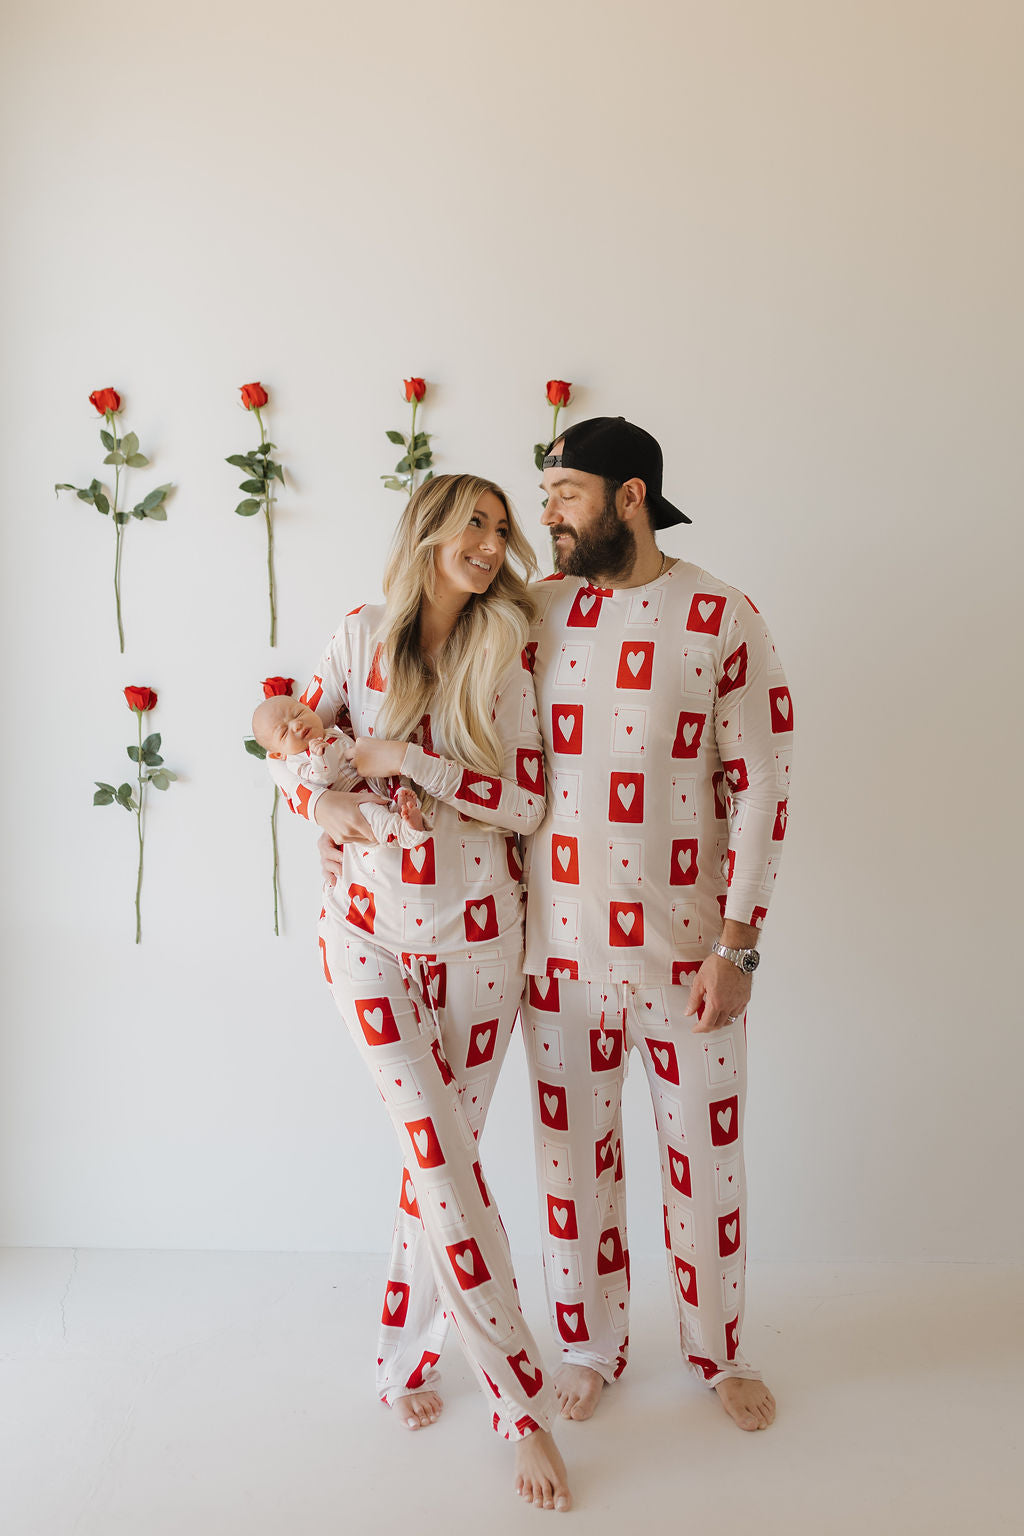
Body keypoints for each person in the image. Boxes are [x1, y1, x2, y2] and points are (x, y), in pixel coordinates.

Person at [274, 473, 572, 1512]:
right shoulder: (357, 637)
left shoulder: (507, 651)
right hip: (365, 939)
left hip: (483, 944)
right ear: (430, 530)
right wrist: (321, 799)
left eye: (502, 528)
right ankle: (518, 1403)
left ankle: (402, 1353)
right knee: (440, 1161)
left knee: (433, 1166)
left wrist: (407, 759)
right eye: (474, 523)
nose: (491, 544)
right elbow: (283, 747)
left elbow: (527, 803)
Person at [517, 416, 793, 1432]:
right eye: (544, 492)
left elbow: (763, 781)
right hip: (553, 958)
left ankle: (718, 1351)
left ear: (629, 496)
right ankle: (587, 1341)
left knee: (705, 1168)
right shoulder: (532, 613)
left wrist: (738, 944)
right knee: (570, 1166)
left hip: (687, 959)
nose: (545, 511)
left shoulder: (720, 613)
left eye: (564, 492)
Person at [252, 693, 429, 847]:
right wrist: (320, 755)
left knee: (396, 779)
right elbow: (324, 777)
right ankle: (407, 832)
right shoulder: (297, 760)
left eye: (299, 713)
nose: (297, 725)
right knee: (373, 815)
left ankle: (403, 803)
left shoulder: (330, 731)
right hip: (353, 799)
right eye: (284, 732)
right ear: (280, 754)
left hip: (369, 779)